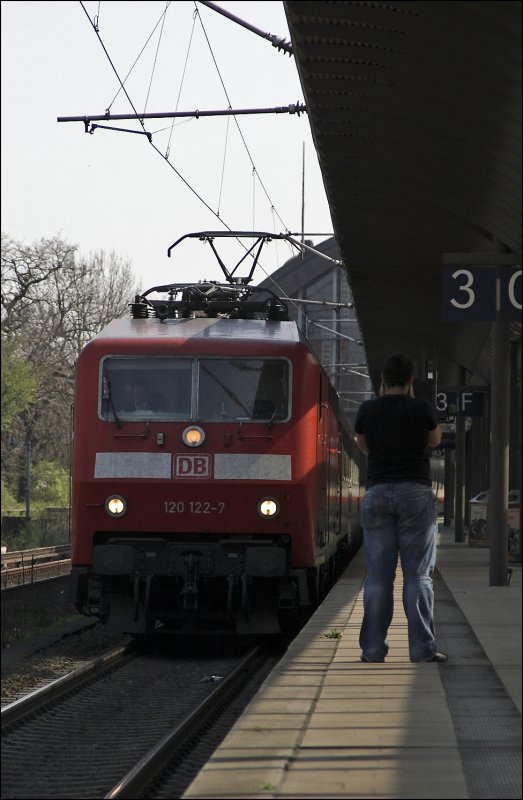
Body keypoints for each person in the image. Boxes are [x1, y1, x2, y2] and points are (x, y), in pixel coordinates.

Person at [354, 353, 447, 663]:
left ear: (382, 380)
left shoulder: (368, 410)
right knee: (418, 577)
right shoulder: (421, 408)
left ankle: (373, 650)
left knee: (378, 578)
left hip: (378, 492)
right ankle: (422, 650)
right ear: (410, 381)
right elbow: (434, 441)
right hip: (415, 494)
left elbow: (364, 446)